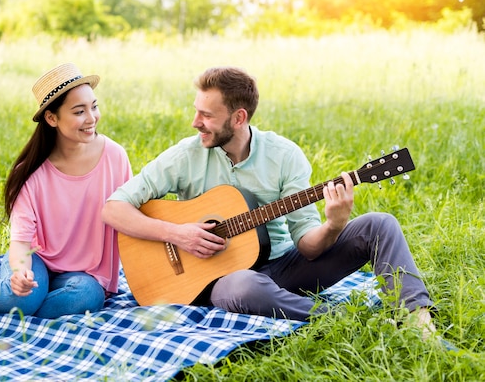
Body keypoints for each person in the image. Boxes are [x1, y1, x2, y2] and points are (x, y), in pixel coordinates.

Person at [102, 66, 440, 338]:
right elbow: (113, 208)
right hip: (215, 280)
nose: (195, 123)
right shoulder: (185, 155)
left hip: (282, 268)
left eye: (206, 115)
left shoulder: (284, 156)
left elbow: (308, 248)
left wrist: (335, 225)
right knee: (243, 285)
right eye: (196, 112)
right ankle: (346, 320)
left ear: (238, 118)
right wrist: (178, 234)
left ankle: (417, 322)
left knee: (380, 224)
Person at [0, 63, 132, 319]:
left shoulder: (114, 157)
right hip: (33, 260)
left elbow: (130, 212)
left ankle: (26, 305)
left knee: (88, 296)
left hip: (83, 275)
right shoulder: (31, 173)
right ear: (52, 118)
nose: (91, 118)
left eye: (94, 106)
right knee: (21, 295)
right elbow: (20, 243)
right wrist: (20, 275)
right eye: (79, 111)